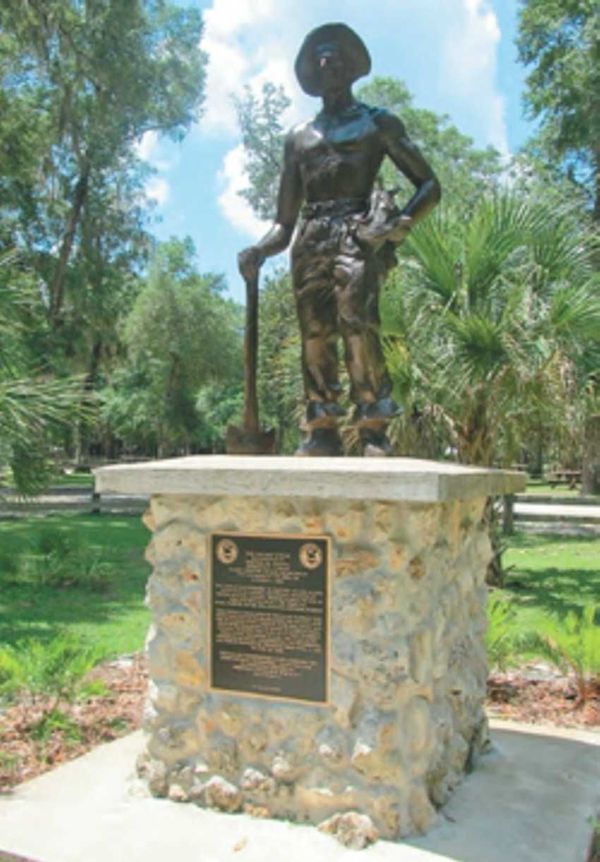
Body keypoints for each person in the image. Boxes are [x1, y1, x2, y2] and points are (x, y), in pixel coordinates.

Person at [239, 22, 441, 456]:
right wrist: (259, 250)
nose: (326, 62)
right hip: (310, 238)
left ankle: (373, 428)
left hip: (356, 232)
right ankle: (321, 428)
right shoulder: (298, 138)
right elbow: (283, 222)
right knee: (314, 334)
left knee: (357, 325)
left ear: (351, 68)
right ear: (312, 73)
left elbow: (429, 185)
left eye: (333, 56)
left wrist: (398, 226)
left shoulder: (377, 124)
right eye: (319, 58)